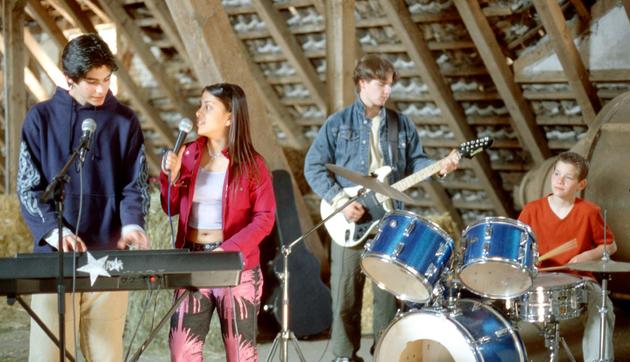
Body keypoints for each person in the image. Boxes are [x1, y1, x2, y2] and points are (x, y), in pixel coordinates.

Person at [304, 54, 460, 362]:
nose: (386, 91)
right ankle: (344, 355)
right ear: (362, 83)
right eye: (381, 84)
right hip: (351, 216)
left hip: (389, 219)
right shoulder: (337, 124)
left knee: (388, 295)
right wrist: (340, 201)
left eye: (389, 85)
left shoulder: (401, 124)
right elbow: (313, 166)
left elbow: (417, 161)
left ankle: (386, 353)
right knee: (346, 292)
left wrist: (439, 166)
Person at [17, 33, 150, 362]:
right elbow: (28, 186)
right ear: (68, 79)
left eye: (106, 80)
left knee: (107, 354)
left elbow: (136, 183)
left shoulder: (125, 121)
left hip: (107, 259)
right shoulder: (40, 119)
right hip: (54, 260)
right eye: (91, 81)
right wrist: (54, 230)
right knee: (49, 354)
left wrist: (133, 223)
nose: (101, 89)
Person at [160, 83, 276, 362]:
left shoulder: (252, 164)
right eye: (200, 105)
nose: (198, 113)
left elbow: (265, 218)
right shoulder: (188, 155)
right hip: (193, 261)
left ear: (230, 117)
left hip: (236, 267)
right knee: (181, 349)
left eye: (208, 106)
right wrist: (171, 177)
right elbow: (169, 207)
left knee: (240, 353)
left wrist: (229, 249)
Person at [518, 151, 617, 361]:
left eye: (568, 177)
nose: (560, 181)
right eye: (557, 174)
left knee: (602, 307)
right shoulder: (531, 210)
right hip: (539, 279)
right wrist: (527, 258)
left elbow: (611, 245)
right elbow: (517, 247)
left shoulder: (589, 212)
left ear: (581, 185)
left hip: (580, 280)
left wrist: (587, 255)